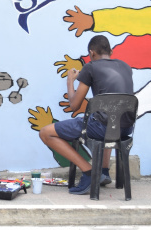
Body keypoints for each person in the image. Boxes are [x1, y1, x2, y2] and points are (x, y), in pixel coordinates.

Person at [39, 35, 134, 195]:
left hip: (103, 127)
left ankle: (90, 172)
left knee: (45, 133)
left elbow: (74, 105)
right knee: (109, 119)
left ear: (91, 53)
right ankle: (103, 172)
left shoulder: (91, 67)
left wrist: (70, 81)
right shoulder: (126, 67)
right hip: (126, 129)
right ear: (110, 51)